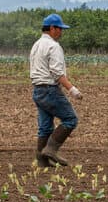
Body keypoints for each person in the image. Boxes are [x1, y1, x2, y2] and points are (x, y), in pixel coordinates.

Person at [29, 13, 82, 167]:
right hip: (50, 90)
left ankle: (41, 160)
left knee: (45, 127)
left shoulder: (36, 45)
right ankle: (51, 150)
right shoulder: (53, 46)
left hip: (37, 90)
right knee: (70, 119)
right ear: (52, 28)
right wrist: (72, 90)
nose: (61, 32)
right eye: (60, 29)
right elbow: (57, 73)